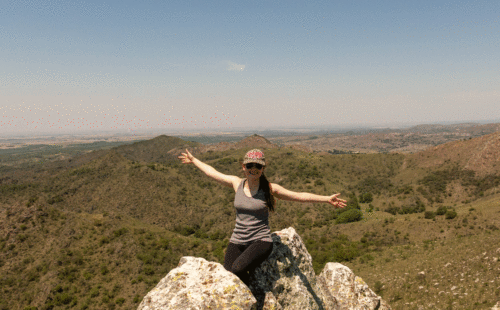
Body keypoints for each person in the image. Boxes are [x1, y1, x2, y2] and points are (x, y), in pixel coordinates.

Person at [178, 148, 346, 286]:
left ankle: (251, 299)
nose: (253, 169)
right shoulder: (237, 183)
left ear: (263, 169)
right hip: (237, 240)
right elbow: (211, 172)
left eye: (257, 166)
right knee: (228, 274)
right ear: (243, 166)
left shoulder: (270, 189)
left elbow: (299, 196)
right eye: (250, 165)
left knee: (237, 269)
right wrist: (194, 160)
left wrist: (326, 199)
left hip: (261, 241)